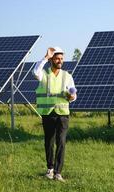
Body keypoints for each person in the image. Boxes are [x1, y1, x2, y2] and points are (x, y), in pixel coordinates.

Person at [33, 47, 77, 182]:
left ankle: (58, 172)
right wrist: (45, 57)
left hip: (63, 114)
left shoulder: (67, 76)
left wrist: (71, 97)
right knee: (49, 142)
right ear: (52, 59)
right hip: (48, 113)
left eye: (62, 59)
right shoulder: (43, 74)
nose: (60, 61)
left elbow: (74, 95)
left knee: (61, 142)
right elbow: (35, 71)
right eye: (57, 58)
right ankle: (50, 169)